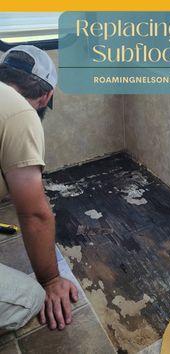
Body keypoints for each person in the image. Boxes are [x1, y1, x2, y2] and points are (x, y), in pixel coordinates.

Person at [0, 45, 78, 331]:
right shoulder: (22, 113)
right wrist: (51, 280)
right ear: (46, 96)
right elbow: (34, 214)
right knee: (30, 298)